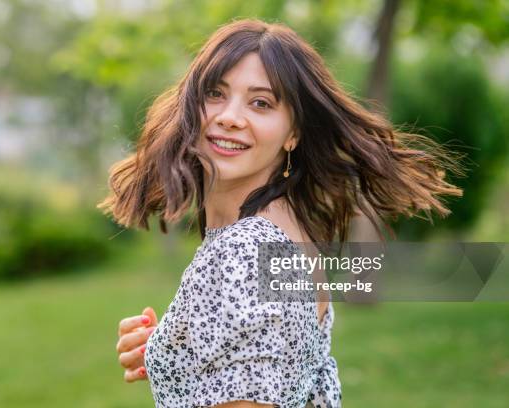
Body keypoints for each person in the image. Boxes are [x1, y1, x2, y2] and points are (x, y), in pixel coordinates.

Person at [101, 18, 462, 408]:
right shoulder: (286, 232)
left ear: (293, 133)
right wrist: (172, 352)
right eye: (215, 93)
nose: (230, 116)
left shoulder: (244, 251)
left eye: (261, 102)